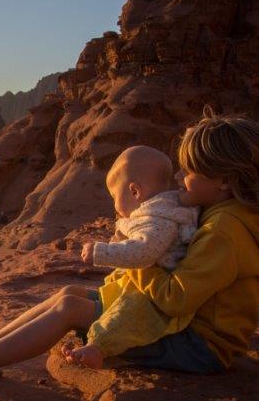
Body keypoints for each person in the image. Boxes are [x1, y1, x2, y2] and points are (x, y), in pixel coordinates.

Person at [0, 112, 259, 401]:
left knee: (70, 310)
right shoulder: (226, 211)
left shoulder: (226, 230)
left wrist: (139, 259)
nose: (180, 180)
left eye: (190, 171)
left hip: (197, 343)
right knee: (69, 293)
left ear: (226, 181)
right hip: (175, 322)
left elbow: (175, 297)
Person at [61, 145, 199, 369]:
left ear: (135, 191)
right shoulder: (162, 210)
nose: (115, 205)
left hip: (154, 295)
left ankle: (98, 348)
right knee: (73, 295)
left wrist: (101, 251)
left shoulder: (160, 218)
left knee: (125, 314)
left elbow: (142, 253)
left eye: (115, 197)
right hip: (149, 283)